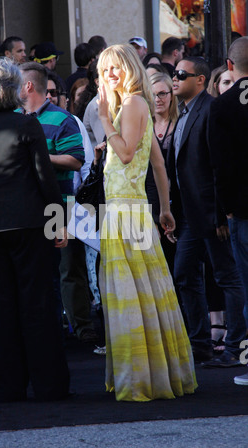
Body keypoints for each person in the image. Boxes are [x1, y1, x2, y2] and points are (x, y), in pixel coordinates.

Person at [0, 58, 70, 402]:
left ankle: (6, 387)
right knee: (37, 303)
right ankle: (49, 386)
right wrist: (58, 220)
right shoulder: (27, 125)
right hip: (28, 223)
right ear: (14, 89)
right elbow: (45, 180)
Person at [95, 44, 197, 402]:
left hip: (126, 213)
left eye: (116, 67)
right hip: (130, 211)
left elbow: (124, 154)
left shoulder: (134, 104)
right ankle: (152, 375)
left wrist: (106, 120)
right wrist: (165, 209)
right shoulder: (133, 106)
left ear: (130, 68)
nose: (110, 74)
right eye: (104, 69)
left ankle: (139, 380)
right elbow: (157, 164)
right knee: (144, 296)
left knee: (132, 299)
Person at [167, 56, 247, 367]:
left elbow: (218, 165)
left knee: (228, 277)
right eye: (174, 74)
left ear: (200, 80)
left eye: (181, 75)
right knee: (185, 274)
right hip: (189, 214)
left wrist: (221, 214)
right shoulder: (184, 111)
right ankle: (199, 344)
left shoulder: (212, 108)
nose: (174, 79)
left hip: (211, 214)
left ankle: (234, 348)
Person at [19, 62, 99, 344]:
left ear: (28, 85)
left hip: (59, 207)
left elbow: (77, 160)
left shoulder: (63, 119)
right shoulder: (13, 117)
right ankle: (41, 332)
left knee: (67, 268)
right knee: (33, 274)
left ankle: (78, 326)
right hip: (24, 209)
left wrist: (39, 156)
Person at [208, 37, 248, 384]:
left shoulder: (222, 106)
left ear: (229, 65)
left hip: (243, 211)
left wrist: (225, 211)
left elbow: (221, 166)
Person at [146, 72, 179, 276]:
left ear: (171, 95)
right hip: (150, 202)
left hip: (178, 199)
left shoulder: (180, 123)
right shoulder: (142, 124)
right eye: (153, 94)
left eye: (162, 94)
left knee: (178, 266)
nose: (157, 99)